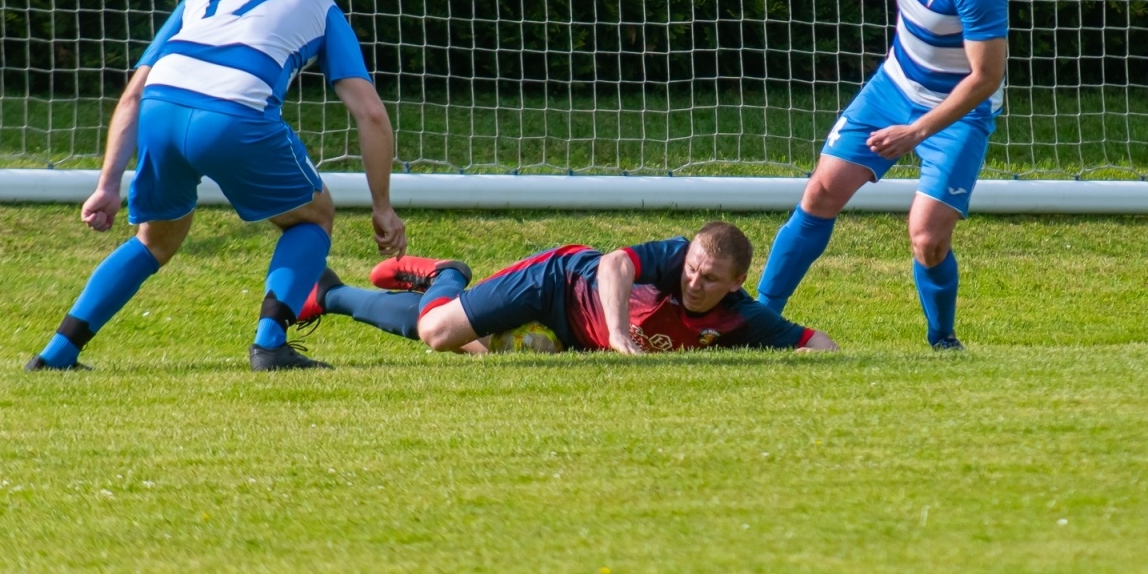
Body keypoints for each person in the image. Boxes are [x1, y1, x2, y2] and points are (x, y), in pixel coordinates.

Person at [26, 0, 407, 373]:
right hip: (234, 115)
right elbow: (369, 111)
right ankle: (270, 346)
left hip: (161, 112)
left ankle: (56, 354)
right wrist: (382, 205)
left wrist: (107, 184)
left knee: (155, 240)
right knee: (314, 215)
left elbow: (133, 93)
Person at [754, 0, 1009, 350]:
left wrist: (916, 133)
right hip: (892, 86)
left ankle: (942, 340)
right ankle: (759, 318)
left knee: (928, 239)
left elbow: (985, 78)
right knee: (821, 192)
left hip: (958, 109)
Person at [296, 221, 838, 354]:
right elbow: (612, 266)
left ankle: (332, 295)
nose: (694, 281)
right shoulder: (676, 257)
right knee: (439, 331)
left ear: (737, 283)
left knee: (470, 343)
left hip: (567, 336)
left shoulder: (742, 317)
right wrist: (619, 331)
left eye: (710, 278)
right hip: (553, 284)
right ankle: (447, 273)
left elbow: (819, 346)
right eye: (694, 267)